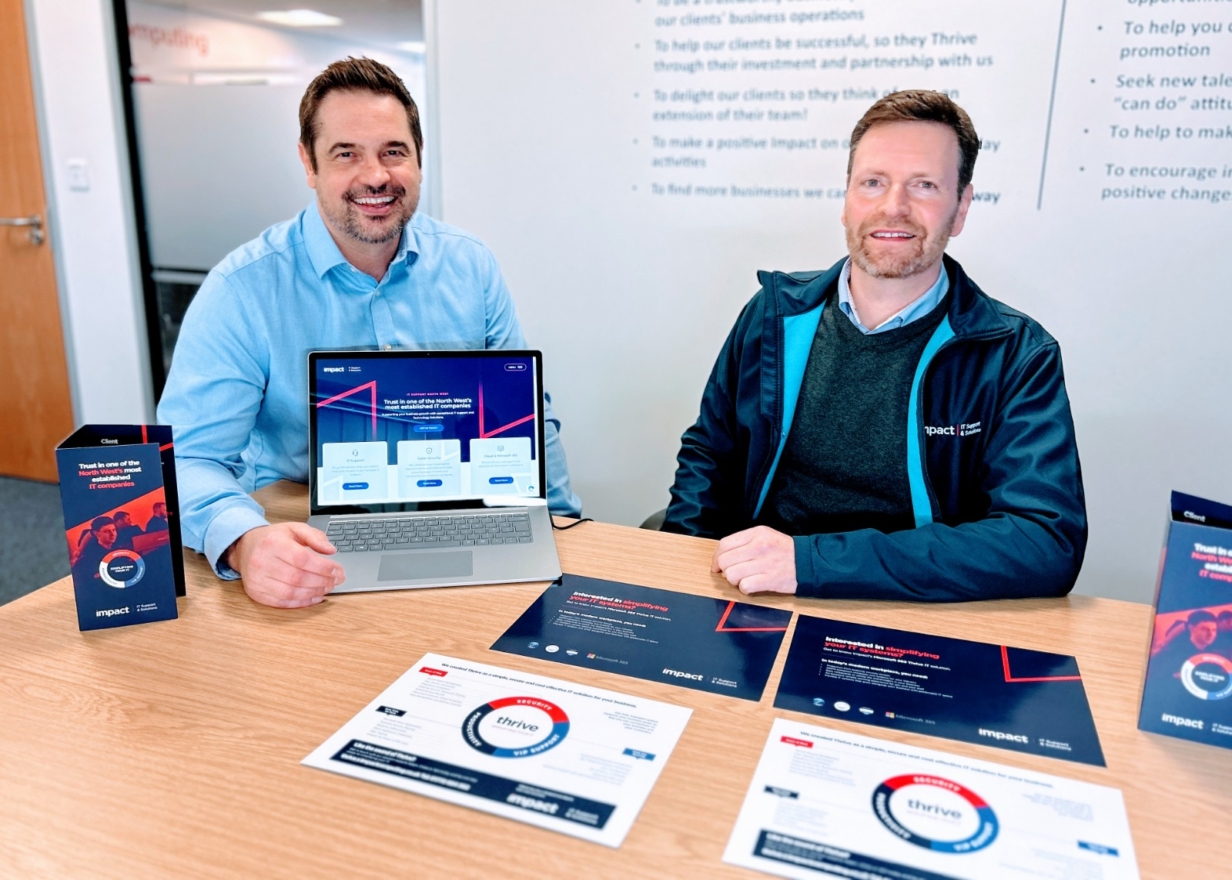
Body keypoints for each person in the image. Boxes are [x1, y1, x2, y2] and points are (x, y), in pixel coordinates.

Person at [158, 57, 581, 610]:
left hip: (464, 514)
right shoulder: (242, 290)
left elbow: (527, 417)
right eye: (346, 154)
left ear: (419, 159)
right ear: (309, 163)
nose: (376, 176)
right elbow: (187, 458)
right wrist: (244, 541)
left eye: (393, 151)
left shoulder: (471, 267)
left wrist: (559, 522)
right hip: (305, 534)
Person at [663, 90, 1087, 601]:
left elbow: (1044, 541)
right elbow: (710, 456)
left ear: (960, 209)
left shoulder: (1015, 354)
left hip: (915, 611)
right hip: (760, 595)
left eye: (924, 185)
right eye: (873, 182)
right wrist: (676, 581)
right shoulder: (774, 316)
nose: (893, 207)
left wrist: (813, 563)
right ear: (846, 200)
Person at [72, 516, 120, 584]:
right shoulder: (90, 557)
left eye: (114, 530)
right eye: (106, 531)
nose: (112, 534)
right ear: (97, 533)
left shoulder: (118, 548)